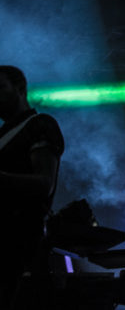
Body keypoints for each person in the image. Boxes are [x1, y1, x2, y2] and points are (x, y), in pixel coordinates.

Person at [0, 65, 65, 310]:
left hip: (18, 243)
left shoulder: (39, 125)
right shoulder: (4, 135)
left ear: (20, 88)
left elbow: (44, 184)